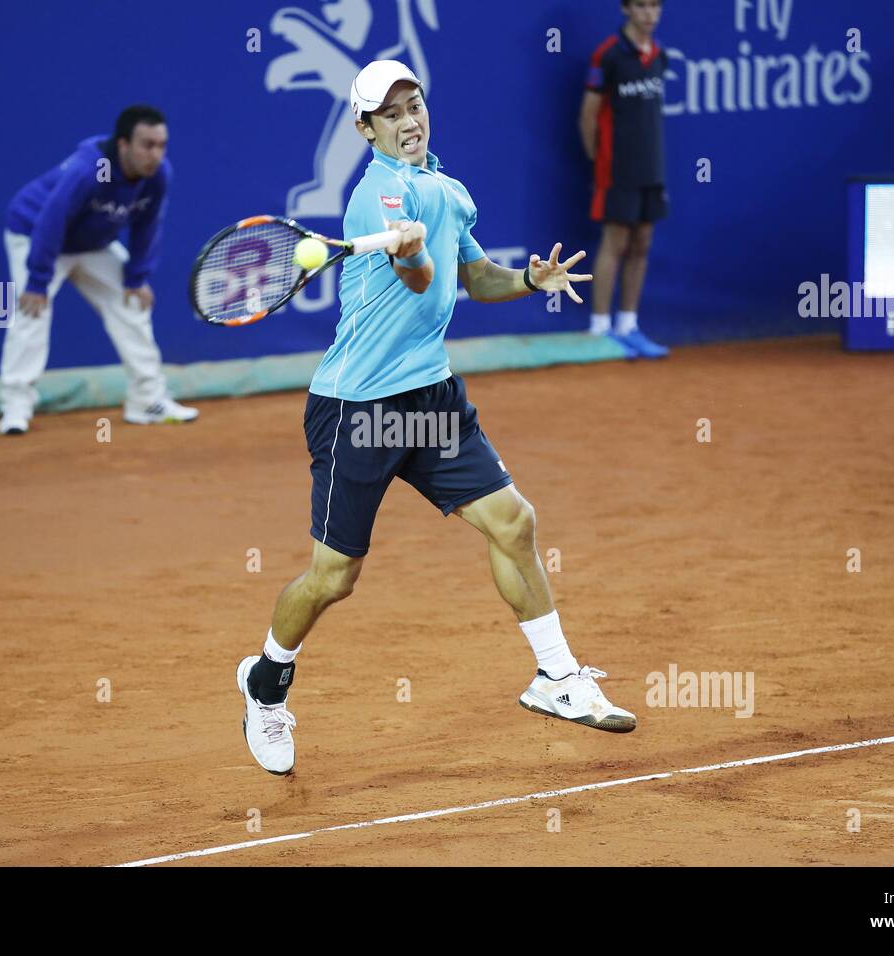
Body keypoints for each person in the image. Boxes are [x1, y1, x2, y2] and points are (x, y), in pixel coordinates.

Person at [236, 60, 638, 776]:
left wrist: (527, 280)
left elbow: (469, 276)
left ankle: (556, 677)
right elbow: (418, 275)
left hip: (429, 398)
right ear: (364, 129)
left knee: (513, 521)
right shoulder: (375, 199)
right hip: (357, 410)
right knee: (335, 578)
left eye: (413, 105)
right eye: (389, 115)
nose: (407, 121)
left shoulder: (447, 191)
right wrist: (415, 256)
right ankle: (266, 683)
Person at [0, 105, 197, 435]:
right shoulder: (89, 169)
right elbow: (52, 219)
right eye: (147, 145)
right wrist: (37, 281)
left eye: (162, 145)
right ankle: (15, 409)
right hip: (35, 233)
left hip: (92, 245)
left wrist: (136, 276)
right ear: (123, 144)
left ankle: (147, 401)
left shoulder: (159, 175)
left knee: (132, 304)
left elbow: (147, 225)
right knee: (32, 312)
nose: (156, 154)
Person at [580, 0, 670, 359]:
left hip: (652, 166)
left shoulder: (660, 56)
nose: (649, 13)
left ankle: (628, 325)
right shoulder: (608, 56)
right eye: (641, 6)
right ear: (626, 9)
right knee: (615, 241)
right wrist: (597, 161)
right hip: (616, 167)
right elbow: (587, 118)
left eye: (655, 6)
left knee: (642, 241)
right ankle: (599, 328)